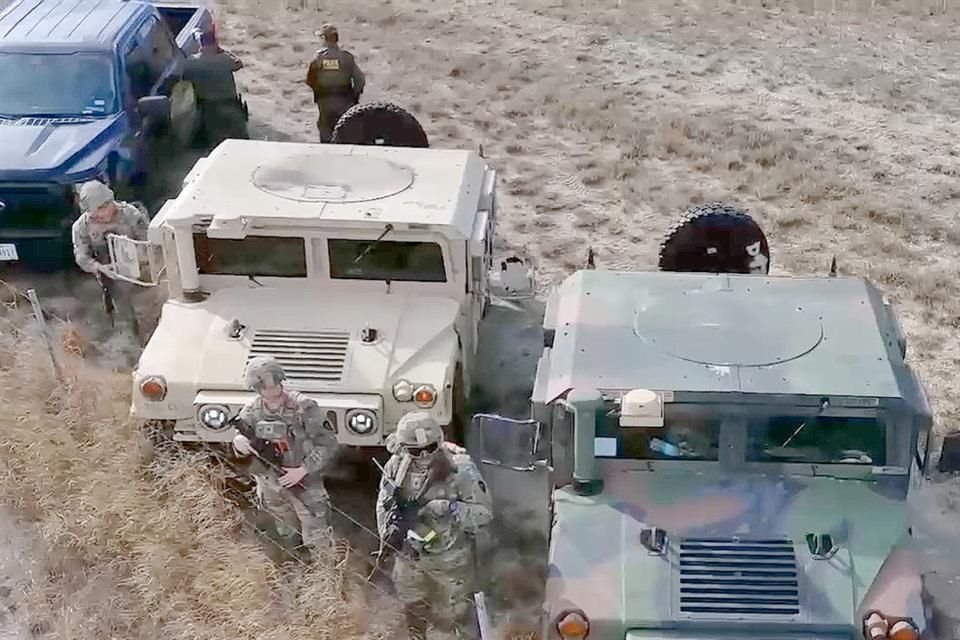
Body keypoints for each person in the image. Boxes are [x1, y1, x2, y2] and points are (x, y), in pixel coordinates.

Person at [375, 412, 493, 640]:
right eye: (415, 450)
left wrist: (450, 508)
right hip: (409, 557)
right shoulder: (396, 467)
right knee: (413, 613)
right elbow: (384, 503)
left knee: (448, 624)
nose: (424, 456)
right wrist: (389, 534)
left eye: (430, 448)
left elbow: (484, 514)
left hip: (449, 562)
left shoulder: (461, 469)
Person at [231, 357, 339, 561]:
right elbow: (241, 442)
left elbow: (328, 443)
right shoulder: (252, 411)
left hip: (304, 483)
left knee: (318, 538)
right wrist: (238, 443)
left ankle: (324, 575)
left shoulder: (304, 407)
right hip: (271, 485)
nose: (271, 391)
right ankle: (294, 568)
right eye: (265, 388)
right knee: (285, 533)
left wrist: (303, 469)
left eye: (274, 385)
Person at [70, 180, 150, 340]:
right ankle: (133, 338)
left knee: (148, 312)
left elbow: (150, 242)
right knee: (124, 314)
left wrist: (134, 258)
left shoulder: (131, 215)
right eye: (94, 213)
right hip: (111, 278)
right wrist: (99, 267)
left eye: (102, 208)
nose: (99, 216)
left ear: (111, 202)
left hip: (142, 276)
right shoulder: (81, 226)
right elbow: (81, 256)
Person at [182, 28, 248, 147]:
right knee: (241, 139)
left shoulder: (191, 62)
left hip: (208, 107)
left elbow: (185, 78)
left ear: (201, 45)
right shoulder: (224, 59)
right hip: (230, 103)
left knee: (215, 142)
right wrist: (223, 51)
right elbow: (239, 64)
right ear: (215, 43)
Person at [304, 23, 365, 142]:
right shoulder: (347, 57)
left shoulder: (318, 59)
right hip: (345, 102)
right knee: (346, 134)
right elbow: (360, 80)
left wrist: (319, 94)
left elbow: (310, 80)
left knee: (326, 134)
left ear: (324, 38)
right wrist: (354, 96)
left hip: (325, 103)